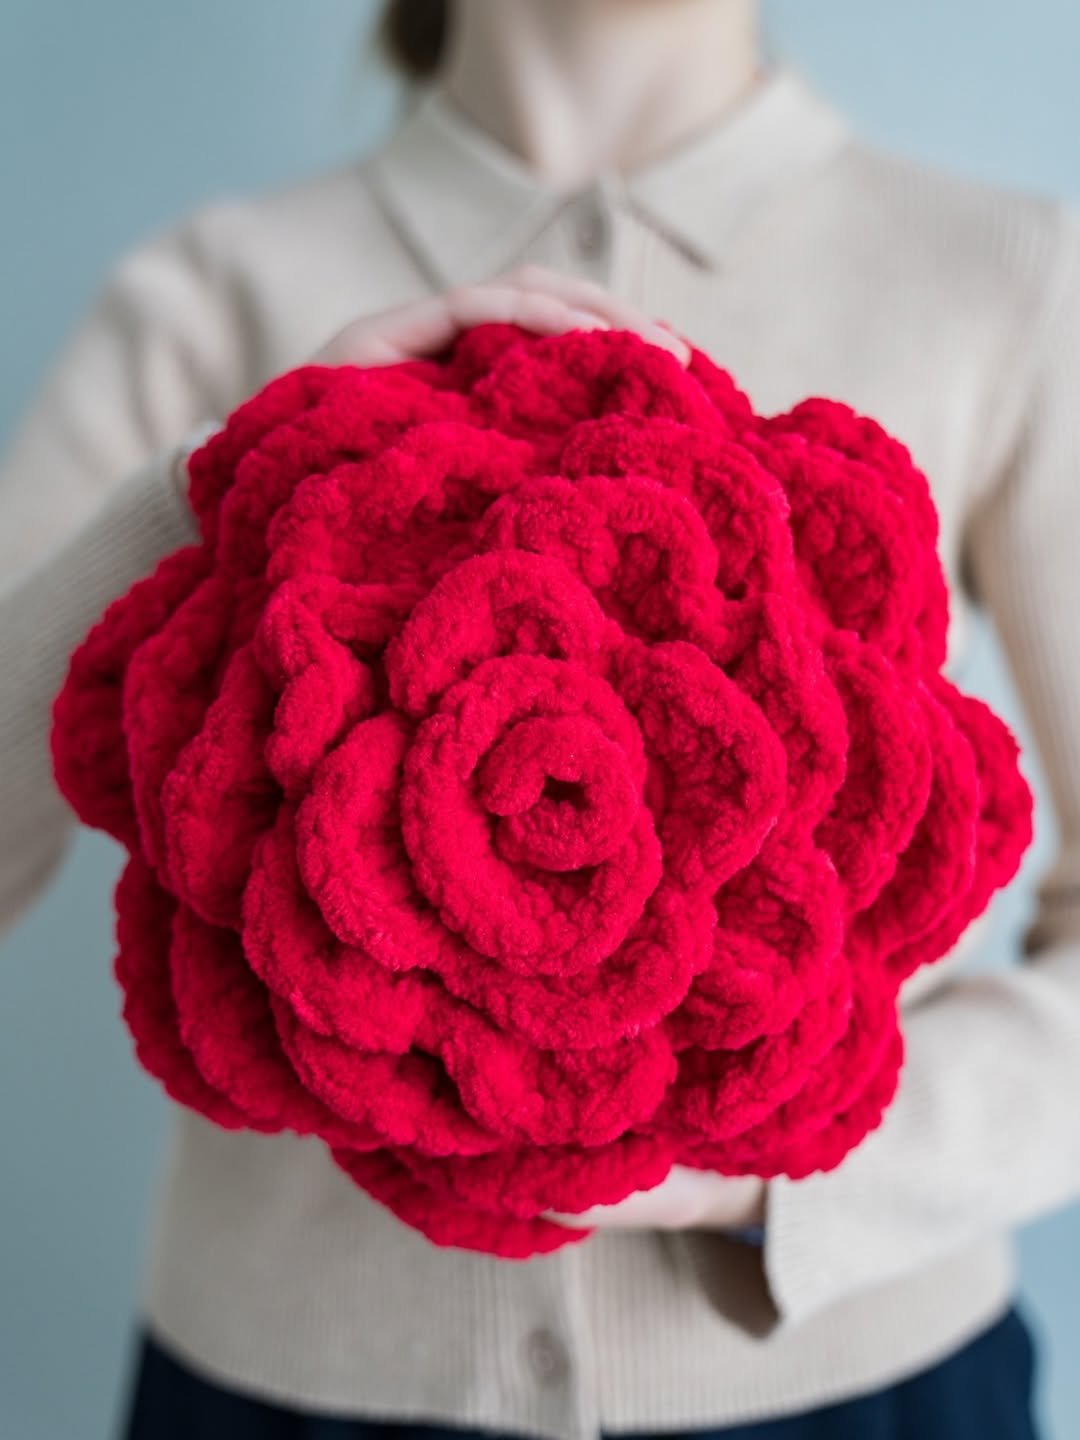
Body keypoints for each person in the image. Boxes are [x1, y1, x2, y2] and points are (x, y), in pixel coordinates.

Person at [1, 0, 1077, 1436]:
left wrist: (789, 1176)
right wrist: (215, 488)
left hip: (857, 1383)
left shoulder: (1006, 278)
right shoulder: (210, 291)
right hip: (284, 1390)